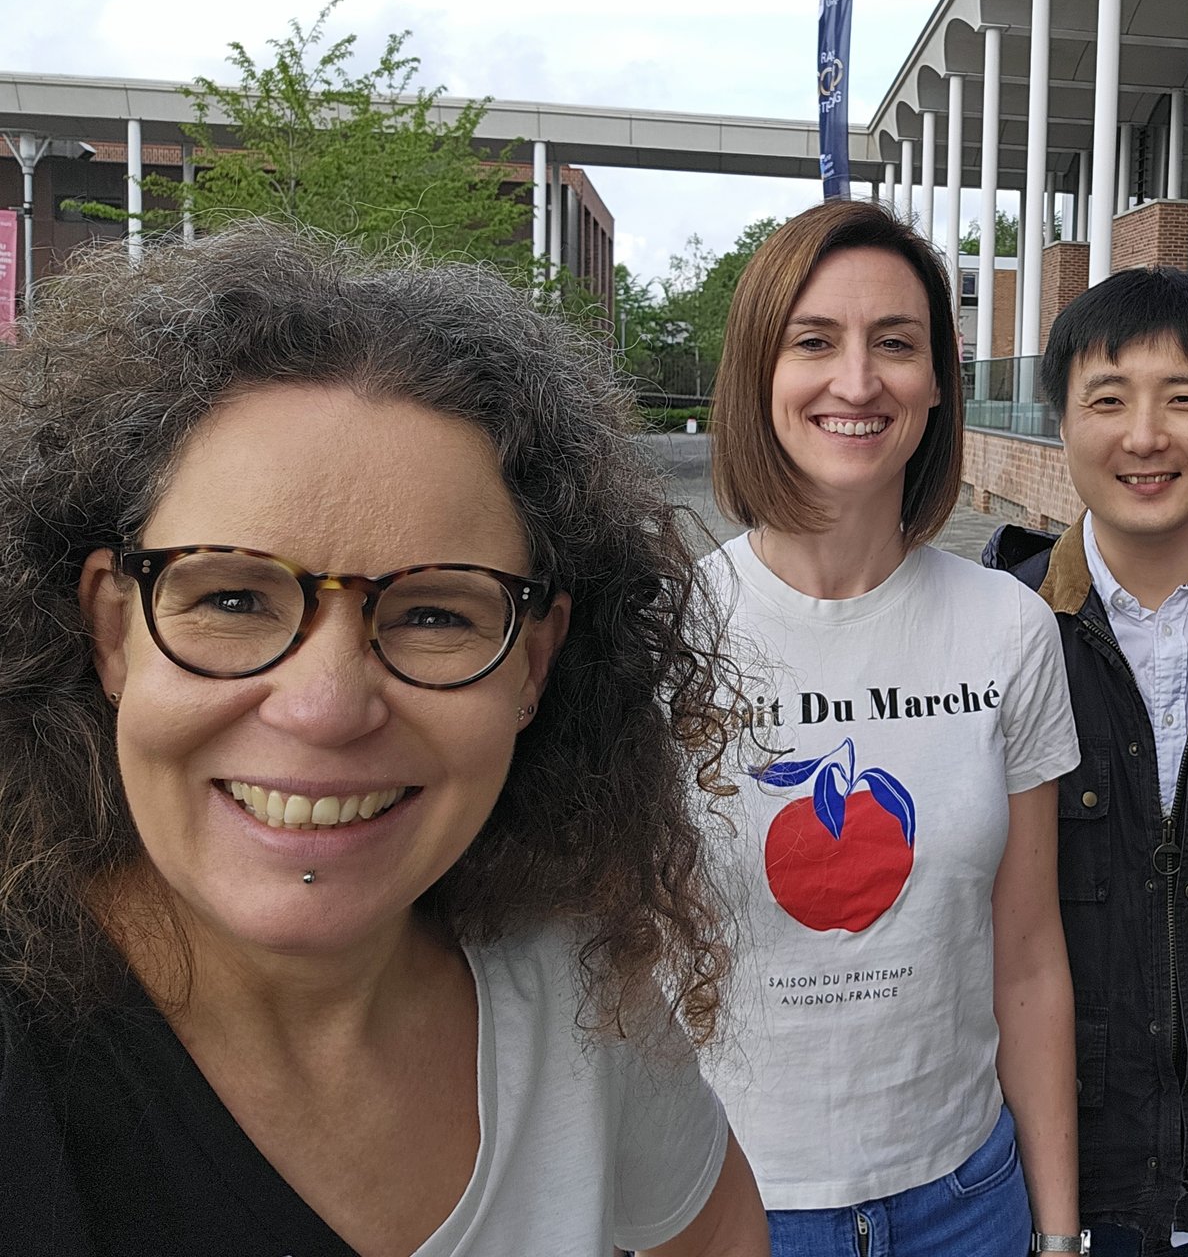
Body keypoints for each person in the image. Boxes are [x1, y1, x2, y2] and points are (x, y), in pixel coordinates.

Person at [0, 230, 767, 1256]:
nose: (324, 706)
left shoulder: (575, 990)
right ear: (110, 630)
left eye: (437, 615)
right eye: (230, 596)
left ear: (534, 666)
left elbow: (714, 1234)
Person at [701, 199, 1084, 1256]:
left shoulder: (1008, 627)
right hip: (725, 1204)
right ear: (756, 374)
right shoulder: (665, 638)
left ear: (934, 385)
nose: (858, 381)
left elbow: (1027, 954)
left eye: (897, 345)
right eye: (814, 341)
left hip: (967, 1203)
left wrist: (1056, 1234)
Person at [982, 267, 1188, 1257]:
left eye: (1184, 399)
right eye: (1105, 401)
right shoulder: (993, 636)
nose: (1143, 437)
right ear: (1060, 423)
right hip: (1059, 1194)